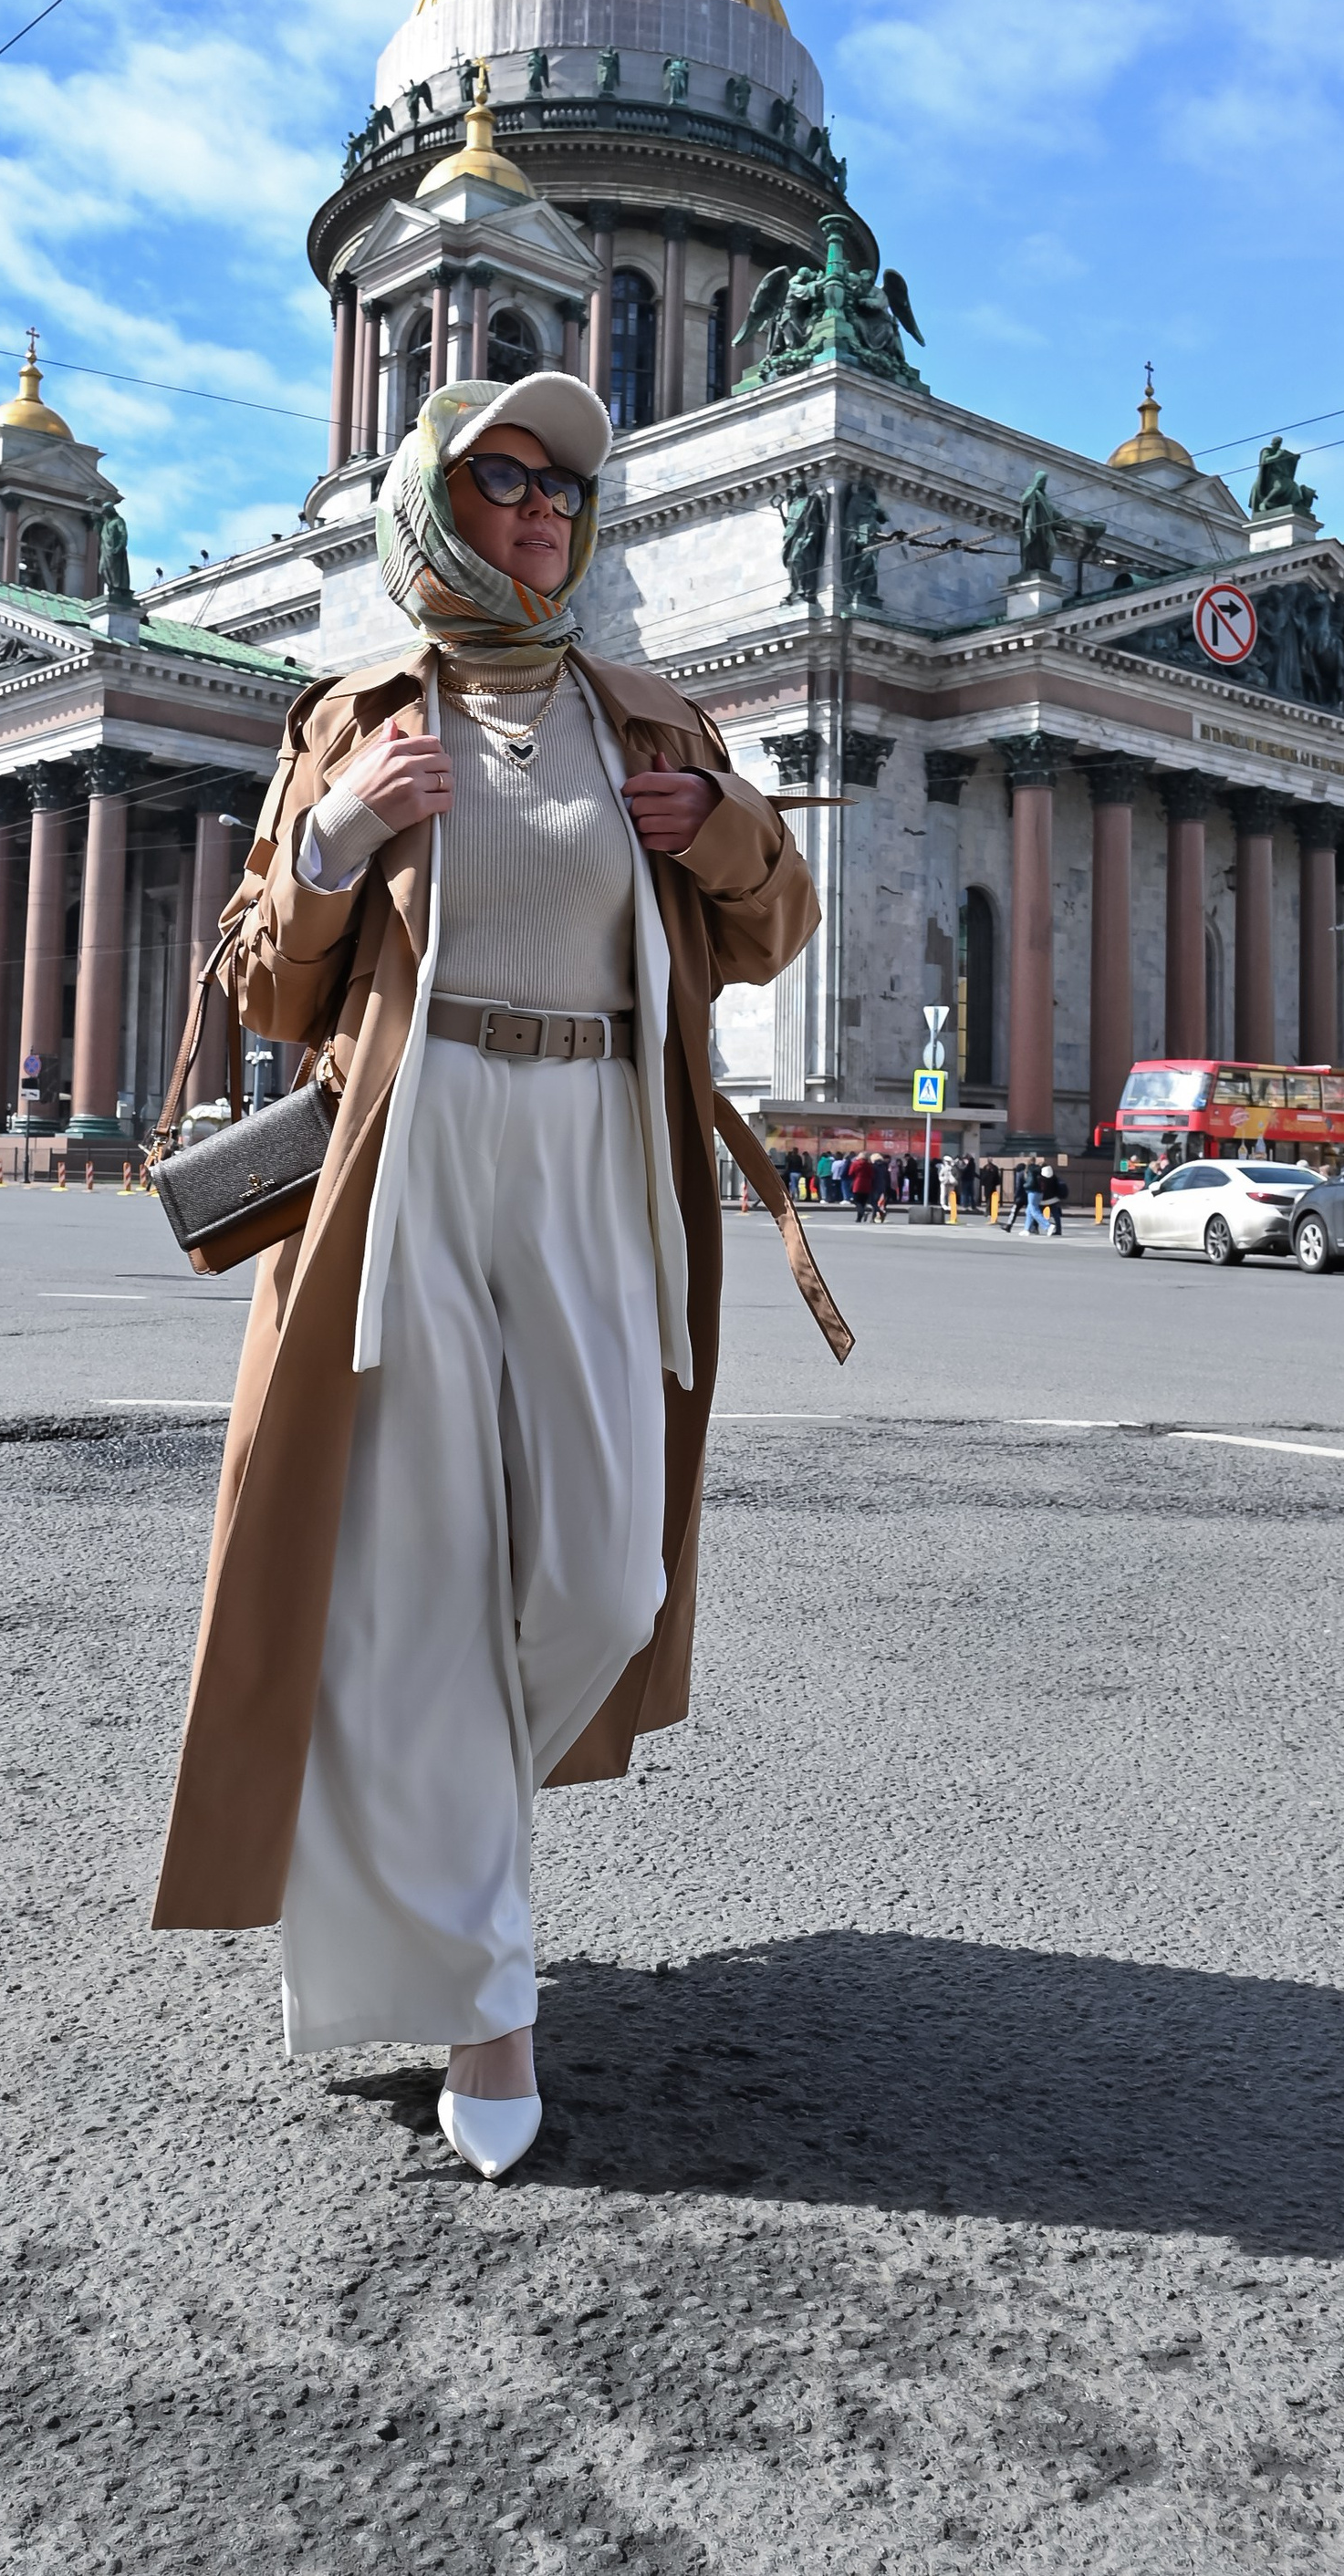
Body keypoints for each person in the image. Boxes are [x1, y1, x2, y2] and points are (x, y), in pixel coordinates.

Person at [151, 373, 840, 2182]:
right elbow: (257, 982)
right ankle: (487, 1999)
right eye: (500, 477)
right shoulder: (359, 713)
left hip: (596, 1154)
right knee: (427, 1568)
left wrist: (728, 837)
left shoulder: (644, 716)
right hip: (418, 1148)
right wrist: (337, 837)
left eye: (561, 487)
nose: (538, 508)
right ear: (432, 508)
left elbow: (776, 927)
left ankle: (413, 1826)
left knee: (606, 1573)